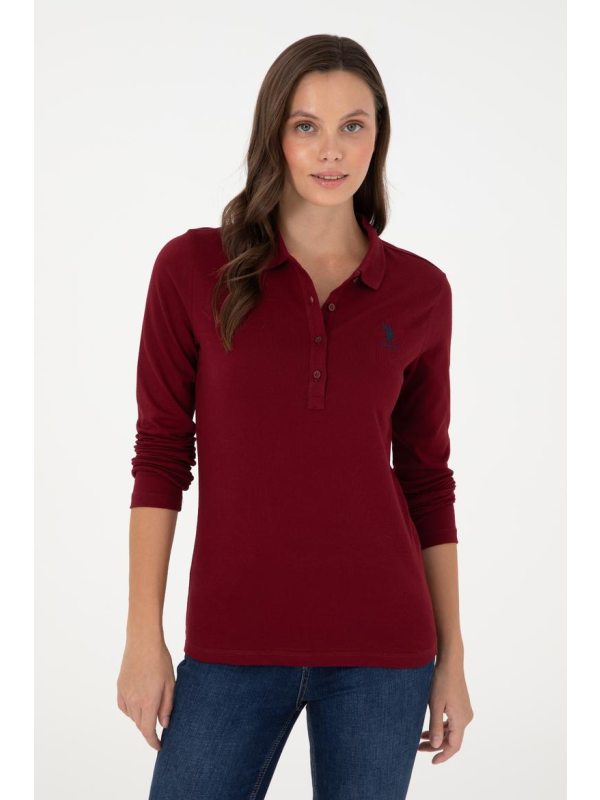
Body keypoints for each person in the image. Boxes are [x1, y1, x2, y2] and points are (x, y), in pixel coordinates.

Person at [117, 33, 474, 800]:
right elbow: (161, 453)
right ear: (274, 133)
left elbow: (427, 479)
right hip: (231, 642)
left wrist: (453, 658)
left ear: (378, 137)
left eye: (354, 125)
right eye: (306, 125)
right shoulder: (193, 270)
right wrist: (143, 637)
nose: (330, 149)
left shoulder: (421, 292)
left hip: (384, 651)